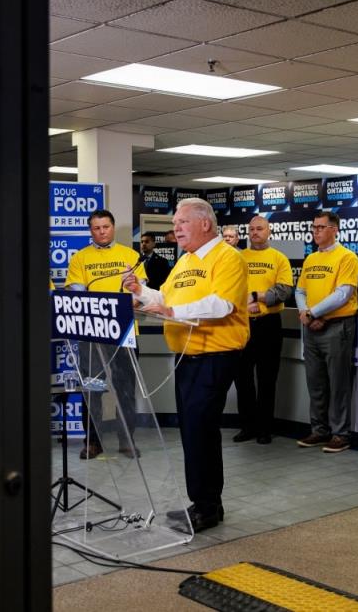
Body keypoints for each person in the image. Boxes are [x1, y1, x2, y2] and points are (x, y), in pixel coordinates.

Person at [123, 197, 248, 532]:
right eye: (175, 223)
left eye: (182, 222)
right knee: (194, 431)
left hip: (216, 355)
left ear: (205, 223)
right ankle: (205, 504)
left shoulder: (228, 257)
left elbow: (221, 304)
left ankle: (206, 508)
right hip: (187, 357)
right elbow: (166, 298)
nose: (175, 228)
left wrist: (172, 313)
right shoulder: (185, 261)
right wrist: (141, 292)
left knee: (199, 429)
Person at [64, 209, 147, 459]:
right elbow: (77, 292)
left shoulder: (130, 255)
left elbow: (140, 291)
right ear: (91, 230)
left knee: (125, 387)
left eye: (106, 227)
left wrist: (134, 295)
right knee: (93, 388)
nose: (101, 232)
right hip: (91, 333)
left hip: (123, 333)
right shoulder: (80, 258)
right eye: (96, 228)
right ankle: (93, 442)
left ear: (113, 227)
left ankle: (126, 440)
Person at [295, 211, 358, 454]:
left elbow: (343, 293)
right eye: (314, 227)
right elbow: (300, 290)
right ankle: (319, 430)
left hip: (337, 327)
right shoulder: (311, 259)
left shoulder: (347, 257)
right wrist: (305, 313)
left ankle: (340, 434)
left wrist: (314, 313)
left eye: (321, 227)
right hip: (310, 328)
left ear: (334, 229)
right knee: (316, 383)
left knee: (338, 383)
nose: (316, 231)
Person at [233, 216, 293, 445]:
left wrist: (257, 297)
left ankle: (264, 429)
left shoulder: (279, 258)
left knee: (267, 378)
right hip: (243, 324)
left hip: (269, 325)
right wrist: (245, 301)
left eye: (260, 228)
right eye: (251, 229)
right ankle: (247, 426)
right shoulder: (238, 258)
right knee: (243, 378)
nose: (255, 232)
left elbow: (284, 290)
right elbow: (231, 287)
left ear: (269, 231)